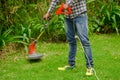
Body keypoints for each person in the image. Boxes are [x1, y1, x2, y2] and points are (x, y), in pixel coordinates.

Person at [44, 0, 94, 76]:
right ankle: (71, 64)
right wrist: (48, 12)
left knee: (84, 41)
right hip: (68, 17)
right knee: (71, 41)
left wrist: (68, 4)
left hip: (80, 15)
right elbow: (55, 0)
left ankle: (90, 67)